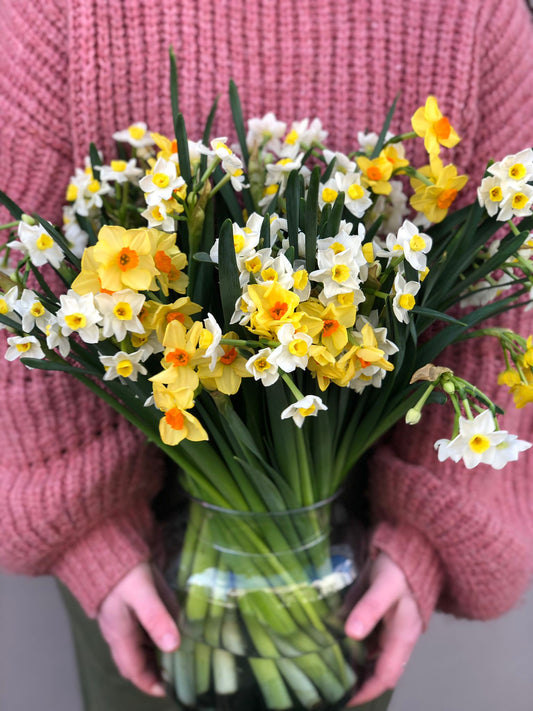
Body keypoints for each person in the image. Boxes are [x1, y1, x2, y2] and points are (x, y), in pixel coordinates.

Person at [0, 0, 533, 709]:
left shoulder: (475, 18)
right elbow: (17, 286)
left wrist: (424, 539)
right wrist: (90, 535)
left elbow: (503, 290)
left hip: (355, 554)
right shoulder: (57, 15)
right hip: (140, 564)